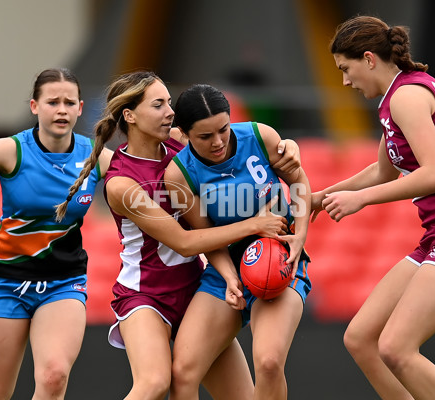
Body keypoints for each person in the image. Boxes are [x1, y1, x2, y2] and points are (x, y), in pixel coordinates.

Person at [57, 70, 302, 400]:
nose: (170, 111)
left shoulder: (183, 140)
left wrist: (287, 145)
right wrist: (254, 225)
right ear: (129, 115)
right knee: (156, 382)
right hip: (146, 294)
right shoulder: (121, 184)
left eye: (170, 103)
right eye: (158, 105)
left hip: (195, 285)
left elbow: (236, 139)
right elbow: (184, 241)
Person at [310, 15, 435, 400]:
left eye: (346, 70)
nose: (346, 81)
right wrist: (322, 195)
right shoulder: (395, 98)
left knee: (395, 348)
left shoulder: (406, 97)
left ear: (369, 59)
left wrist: (358, 201)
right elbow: (383, 171)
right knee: (360, 338)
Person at [0, 68, 114, 400]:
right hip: (6, 282)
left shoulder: (95, 155)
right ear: (34, 106)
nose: (61, 109)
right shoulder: (12, 150)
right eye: (52, 101)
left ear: (81, 108)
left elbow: (152, 178)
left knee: (54, 376)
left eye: (69, 102)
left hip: (63, 283)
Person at [163, 84, 312, 400]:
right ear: (184, 135)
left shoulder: (261, 137)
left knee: (269, 362)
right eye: (205, 137)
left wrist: (299, 237)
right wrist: (231, 278)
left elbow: (299, 181)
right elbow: (206, 238)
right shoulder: (179, 176)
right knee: (182, 371)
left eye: (223, 129)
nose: (217, 142)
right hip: (225, 268)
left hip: (278, 261)